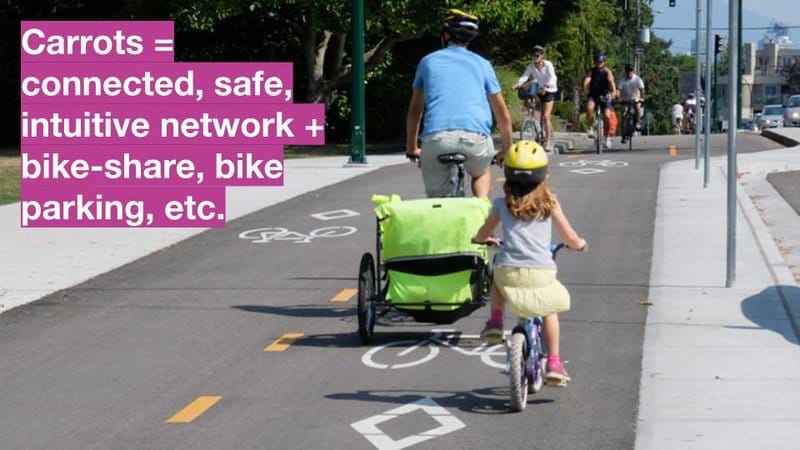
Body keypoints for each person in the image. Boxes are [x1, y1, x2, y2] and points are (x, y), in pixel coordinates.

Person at [472, 140, 587, 385]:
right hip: (540, 273)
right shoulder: (550, 203)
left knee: (497, 277)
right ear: (542, 175)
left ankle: (495, 321)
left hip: (509, 271)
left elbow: (483, 233)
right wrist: (578, 244)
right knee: (549, 309)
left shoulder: (501, 205)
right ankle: (554, 361)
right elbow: (570, 237)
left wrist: (480, 239)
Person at [405, 8, 513, 198]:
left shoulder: (427, 62)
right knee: (481, 172)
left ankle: (442, 207)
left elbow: (415, 112)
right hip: (475, 139)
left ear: (446, 35)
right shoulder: (483, 64)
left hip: (436, 139)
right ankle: (481, 206)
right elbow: (502, 114)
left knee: (438, 199)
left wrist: (412, 147)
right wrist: (506, 148)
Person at [512, 45, 558, 152]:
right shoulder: (531, 66)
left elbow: (552, 77)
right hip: (539, 90)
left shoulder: (548, 65)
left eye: (537, 55)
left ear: (542, 56)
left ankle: (548, 141)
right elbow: (525, 76)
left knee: (546, 116)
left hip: (549, 90)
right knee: (530, 102)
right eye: (534, 55)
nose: (535, 57)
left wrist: (547, 86)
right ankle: (533, 123)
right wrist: (517, 84)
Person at [583, 52, 617, 150]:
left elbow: (611, 82)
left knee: (607, 116)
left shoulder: (607, 72)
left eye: (601, 62)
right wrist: (584, 86)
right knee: (589, 108)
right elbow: (588, 79)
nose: (599, 63)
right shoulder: (592, 71)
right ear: (595, 62)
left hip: (605, 96)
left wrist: (614, 92)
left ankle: (607, 137)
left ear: (604, 62)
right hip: (593, 95)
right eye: (597, 61)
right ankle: (590, 128)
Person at [617, 63, 645, 144]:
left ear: (633, 71)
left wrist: (641, 98)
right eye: (627, 71)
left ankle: (638, 121)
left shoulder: (638, 79)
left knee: (637, 105)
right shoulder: (622, 80)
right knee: (624, 115)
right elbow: (618, 90)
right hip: (625, 100)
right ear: (625, 72)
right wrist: (618, 97)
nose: (629, 72)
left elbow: (642, 90)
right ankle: (623, 135)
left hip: (636, 98)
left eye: (631, 70)